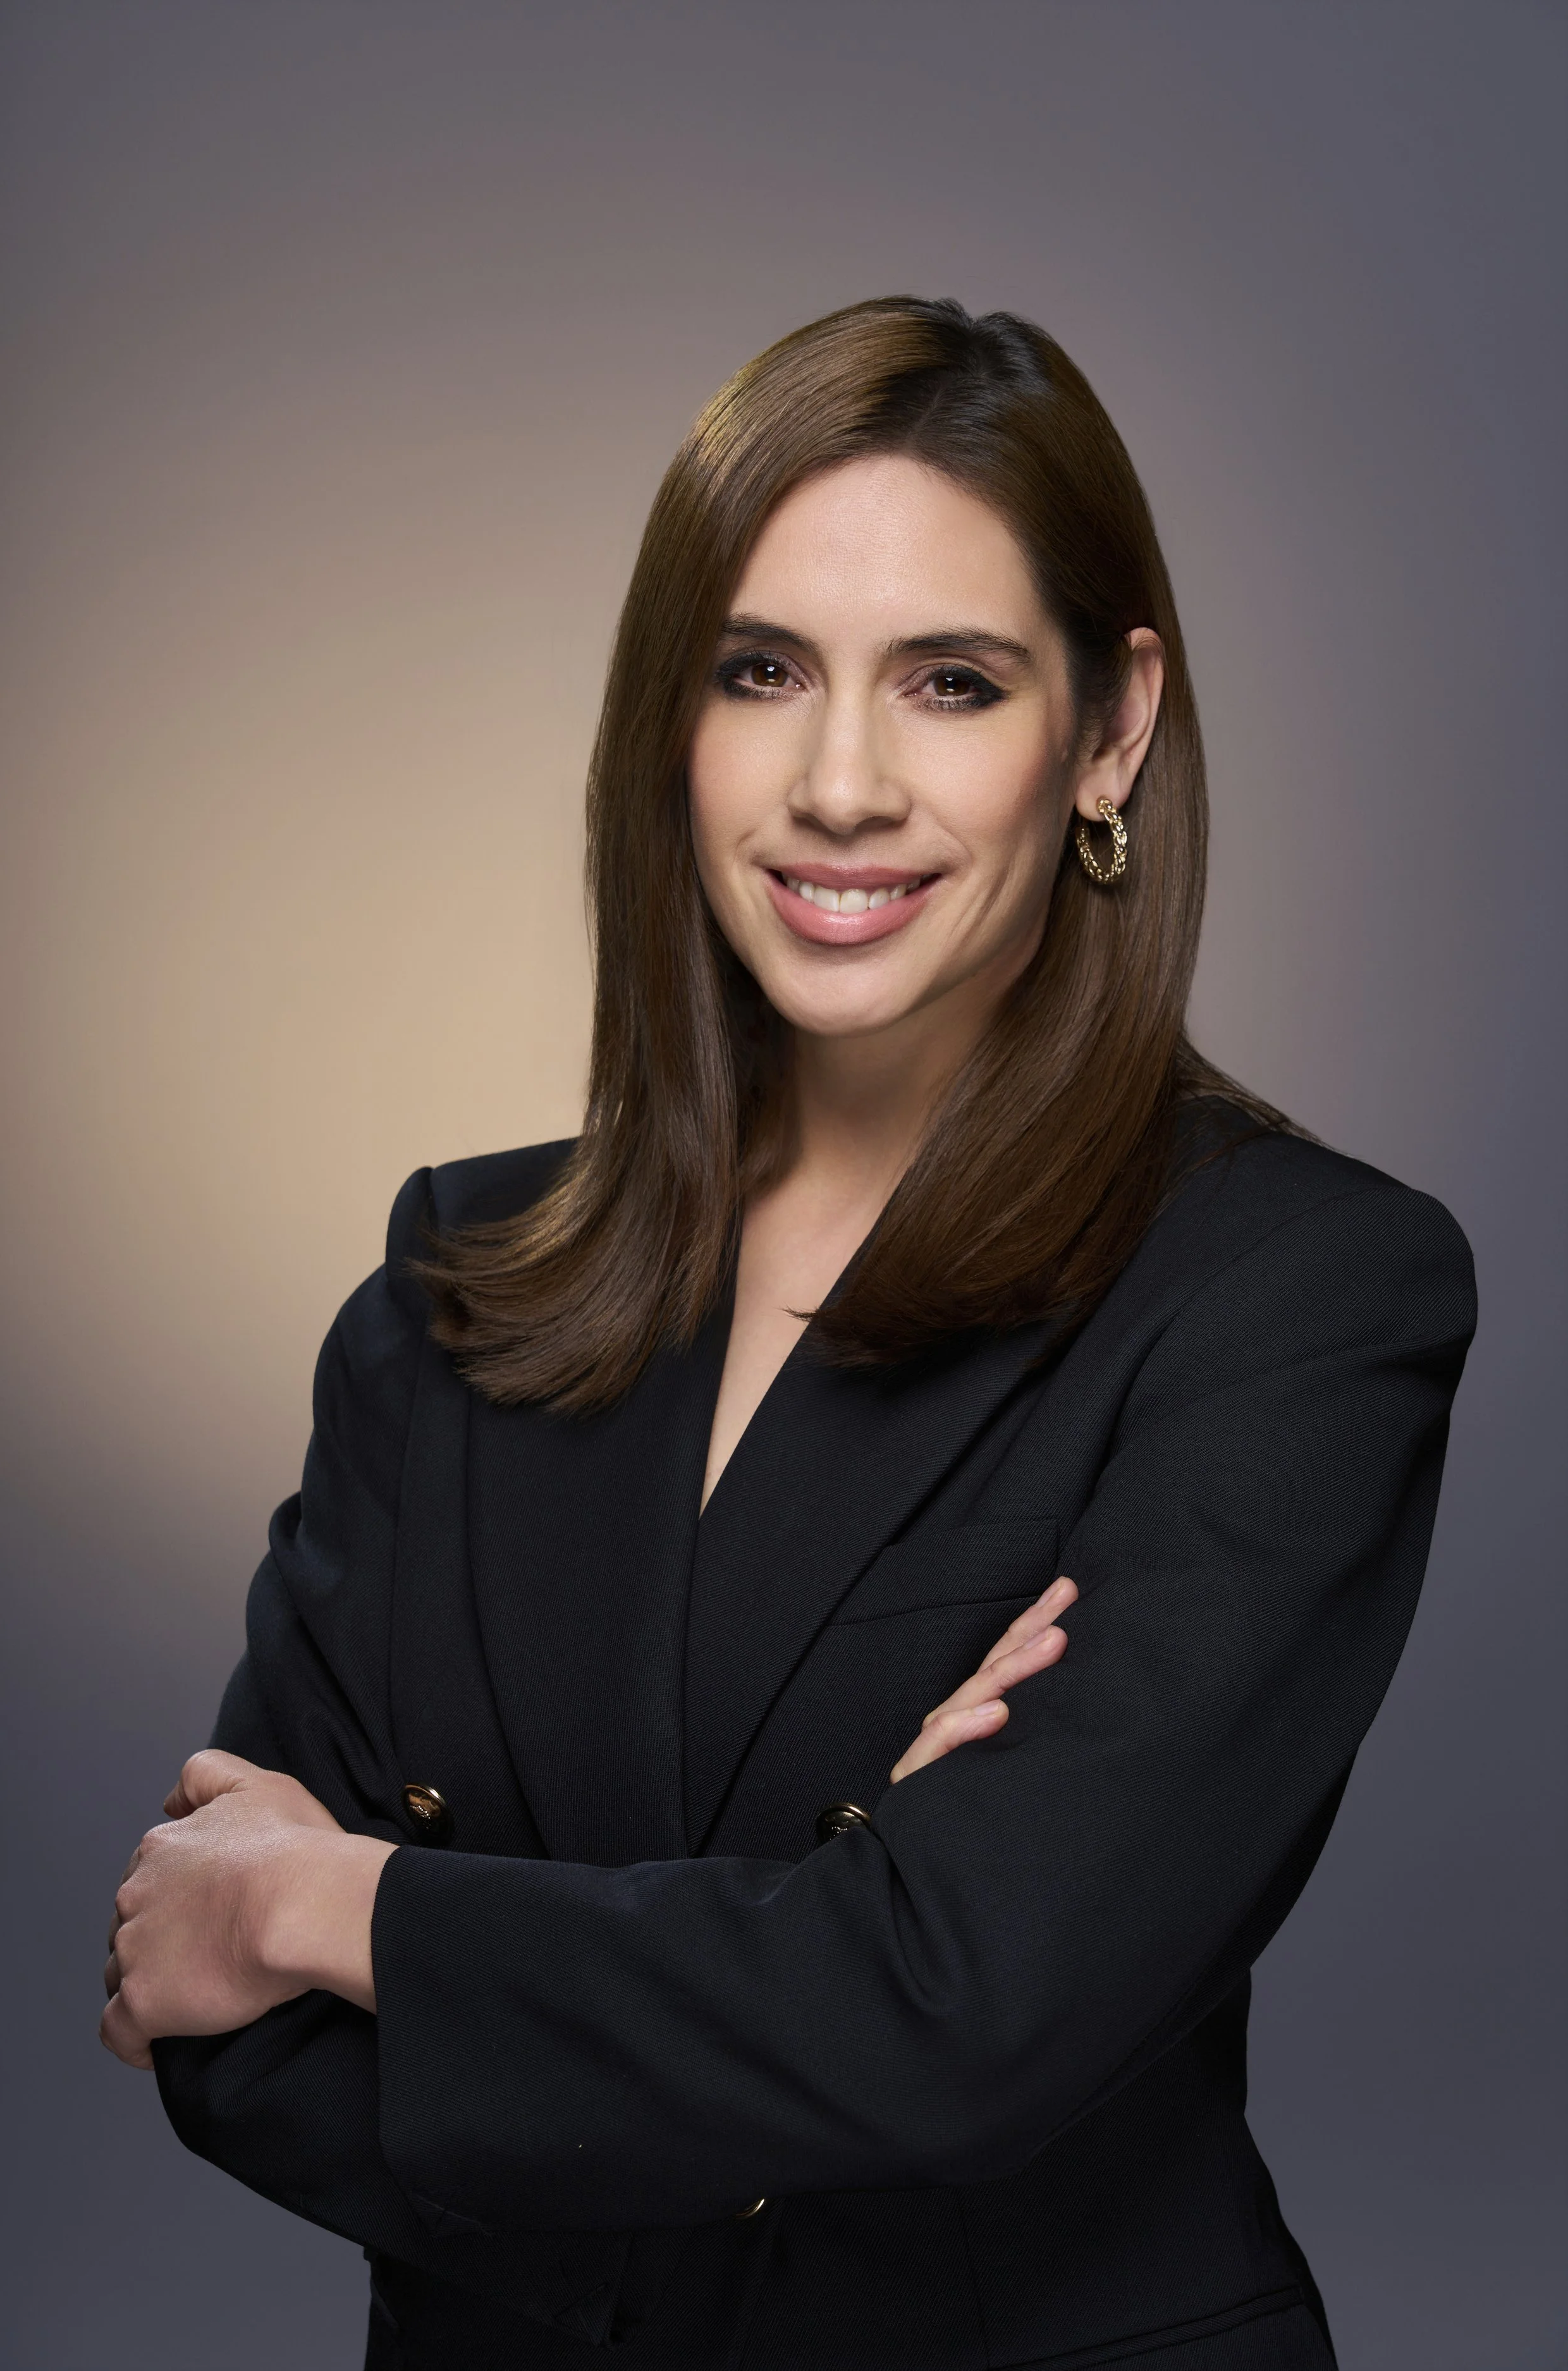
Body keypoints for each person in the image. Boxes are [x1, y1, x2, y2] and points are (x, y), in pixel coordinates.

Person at [101, 298, 1476, 2371]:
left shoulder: (1294, 1295)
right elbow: (233, 2055)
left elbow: (958, 2015)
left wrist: (335, 1905)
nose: (840, 784)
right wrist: (810, 1954)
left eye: (950, 681)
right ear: (670, 721)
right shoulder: (455, 1278)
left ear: (1108, 731)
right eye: (759, 671)